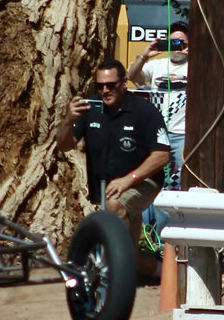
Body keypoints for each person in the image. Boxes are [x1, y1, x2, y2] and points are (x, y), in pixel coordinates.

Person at [55, 58, 171, 243]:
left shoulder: (144, 110)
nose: (105, 91)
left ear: (124, 83)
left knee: (114, 205)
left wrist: (129, 179)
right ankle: (152, 269)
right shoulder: (90, 107)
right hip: (104, 184)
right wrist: (68, 120)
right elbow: (64, 145)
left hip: (142, 182)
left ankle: (119, 263)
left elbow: (162, 155)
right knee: (129, 247)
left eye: (111, 85)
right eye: (100, 86)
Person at [127, 21, 189, 183]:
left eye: (182, 43)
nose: (178, 46)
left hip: (183, 133)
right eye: (173, 42)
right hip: (157, 131)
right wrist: (144, 56)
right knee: (153, 177)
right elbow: (132, 77)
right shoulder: (156, 65)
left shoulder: (196, 65)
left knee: (184, 177)